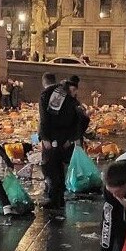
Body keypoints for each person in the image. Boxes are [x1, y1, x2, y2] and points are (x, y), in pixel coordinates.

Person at [38, 75, 83, 209]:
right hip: (65, 139)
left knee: (50, 167)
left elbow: (45, 118)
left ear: (44, 83)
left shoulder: (47, 95)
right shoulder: (71, 99)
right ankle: (60, 198)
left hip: (52, 137)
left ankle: (53, 199)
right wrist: (72, 139)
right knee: (60, 168)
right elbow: (80, 120)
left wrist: (44, 137)